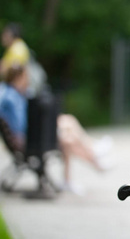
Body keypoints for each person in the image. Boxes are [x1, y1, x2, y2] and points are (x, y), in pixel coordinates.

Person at [0, 64, 113, 195]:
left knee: (68, 128)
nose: (28, 80)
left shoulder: (14, 94)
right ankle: (94, 157)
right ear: (18, 77)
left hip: (29, 137)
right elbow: (23, 125)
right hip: (28, 140)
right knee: (68, 138)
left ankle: (93, 156)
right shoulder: (12, 98)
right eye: (26, 77)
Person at [1, 22, 47, 98]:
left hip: (16, 90)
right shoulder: (17, 47)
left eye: (5, 34)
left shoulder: (17, 48)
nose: (2, 37)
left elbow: (9, 70)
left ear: (10, 35)